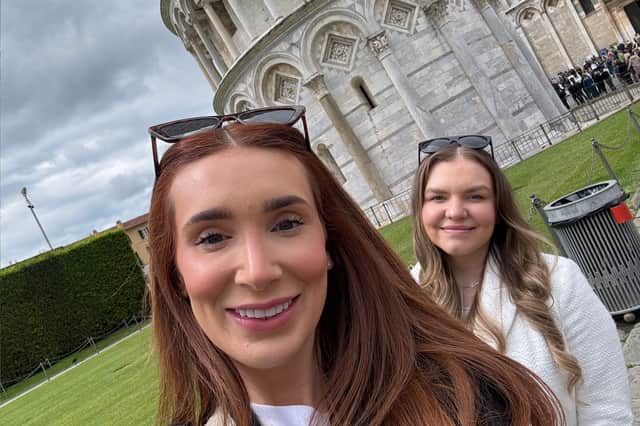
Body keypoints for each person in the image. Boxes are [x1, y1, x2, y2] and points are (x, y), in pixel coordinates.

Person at [146, 107, 563, 426]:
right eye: (213, 238)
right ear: (176, 274)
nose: (257, 271)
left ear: (330, 241)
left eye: (287, 224)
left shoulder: (472, 399)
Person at [409, 137, 633, 426]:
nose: (455, 211)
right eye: (438, 197)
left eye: (475, 196)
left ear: (498, 208)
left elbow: (607, 411)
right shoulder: (407, 302)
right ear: (420, 209)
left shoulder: (558, 280)